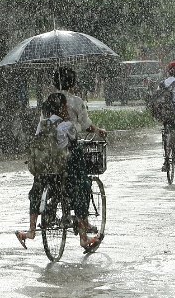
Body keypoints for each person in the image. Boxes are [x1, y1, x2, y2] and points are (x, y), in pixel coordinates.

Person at [53, 67, 106, 249]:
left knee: (55, 180)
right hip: (70, 151)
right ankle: (83, 236)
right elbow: (85, 125)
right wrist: (98, 131)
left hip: (49, 153)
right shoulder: (75, 102)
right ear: (73, 83)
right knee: (82, 186)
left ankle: (57, 208)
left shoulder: (47, 102)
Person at [15, 93, 76, 248]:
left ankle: (31, 230)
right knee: (69, 185)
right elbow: (74, 145)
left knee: (35, 193)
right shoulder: (67, 125)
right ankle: (70, 214)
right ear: (62, 108)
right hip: (58, 170)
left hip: (42, 170)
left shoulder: (42, 124)